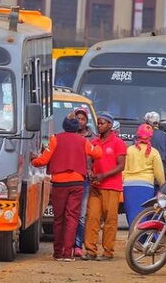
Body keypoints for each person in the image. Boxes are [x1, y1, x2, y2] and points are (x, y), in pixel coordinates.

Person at [31, 112, 102, 261]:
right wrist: (97, 144)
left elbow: (43, 160)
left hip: (59, 184)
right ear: (77, 127)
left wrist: (33, 160)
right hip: (77, 183)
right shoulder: (83, 141)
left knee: (59, 219)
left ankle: (57, 252)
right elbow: (98, 154)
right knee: (72, 218)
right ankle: (67, 253)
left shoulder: (55, 139)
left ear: (64, 126)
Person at [82, 112, 127, 261]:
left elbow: (121, 166)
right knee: (92, 218)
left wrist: (103, 175)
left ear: (109, 125)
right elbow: (89, 159)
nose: (99, 126)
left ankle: (108, 251)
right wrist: (89, 170)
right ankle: (90, 250)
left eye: (102, 123)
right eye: (98, 123)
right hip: (96, 186)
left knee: (110, 220)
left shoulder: (118, 143)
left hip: (111, 187)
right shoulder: (94, 142)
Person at [122, 124, 165, 227]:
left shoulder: (129, 150)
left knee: (131, 214)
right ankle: (141, 238)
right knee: (143, 214)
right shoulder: (154, 153)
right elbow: (159, 174)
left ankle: (133, 236)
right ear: (150, 137)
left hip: (128, 186)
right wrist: (163, 187)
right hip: (146, 187)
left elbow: (123, 170)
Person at [73, 107, 97, 257]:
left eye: (82, 119)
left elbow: (96, 158)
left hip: (85, 180)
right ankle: (67, 245)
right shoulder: (68, 135)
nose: (79, 121)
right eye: (77, 118)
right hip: (70, 178)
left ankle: (78, 245)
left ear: (86, 121)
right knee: (69, 213)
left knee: (81, 214)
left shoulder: (92, 138)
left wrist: (92, 170)